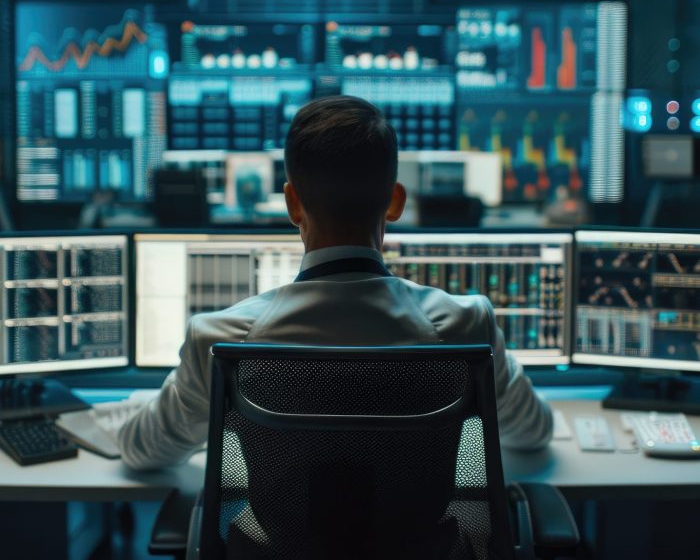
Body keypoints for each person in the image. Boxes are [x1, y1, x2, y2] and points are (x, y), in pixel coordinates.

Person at [119, 96, 552, 470]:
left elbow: (144, 452)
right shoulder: (466, 327)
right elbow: (533, 432)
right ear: (396, 201)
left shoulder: (219, 341)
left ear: (292, 204)